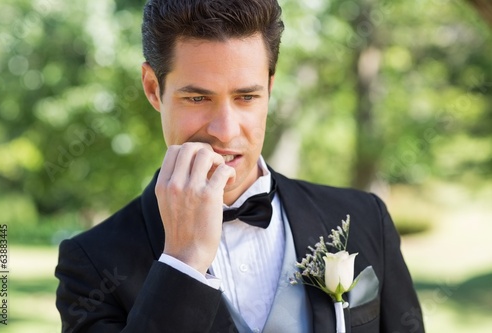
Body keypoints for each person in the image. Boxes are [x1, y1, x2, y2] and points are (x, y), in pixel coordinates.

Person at [55, 0, 425, 332]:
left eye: (246, 97)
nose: (225, 130)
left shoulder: (365, 218)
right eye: (198, 97)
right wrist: (184, 261)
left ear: (270, 87)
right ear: (154, 89)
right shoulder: (91, 263)